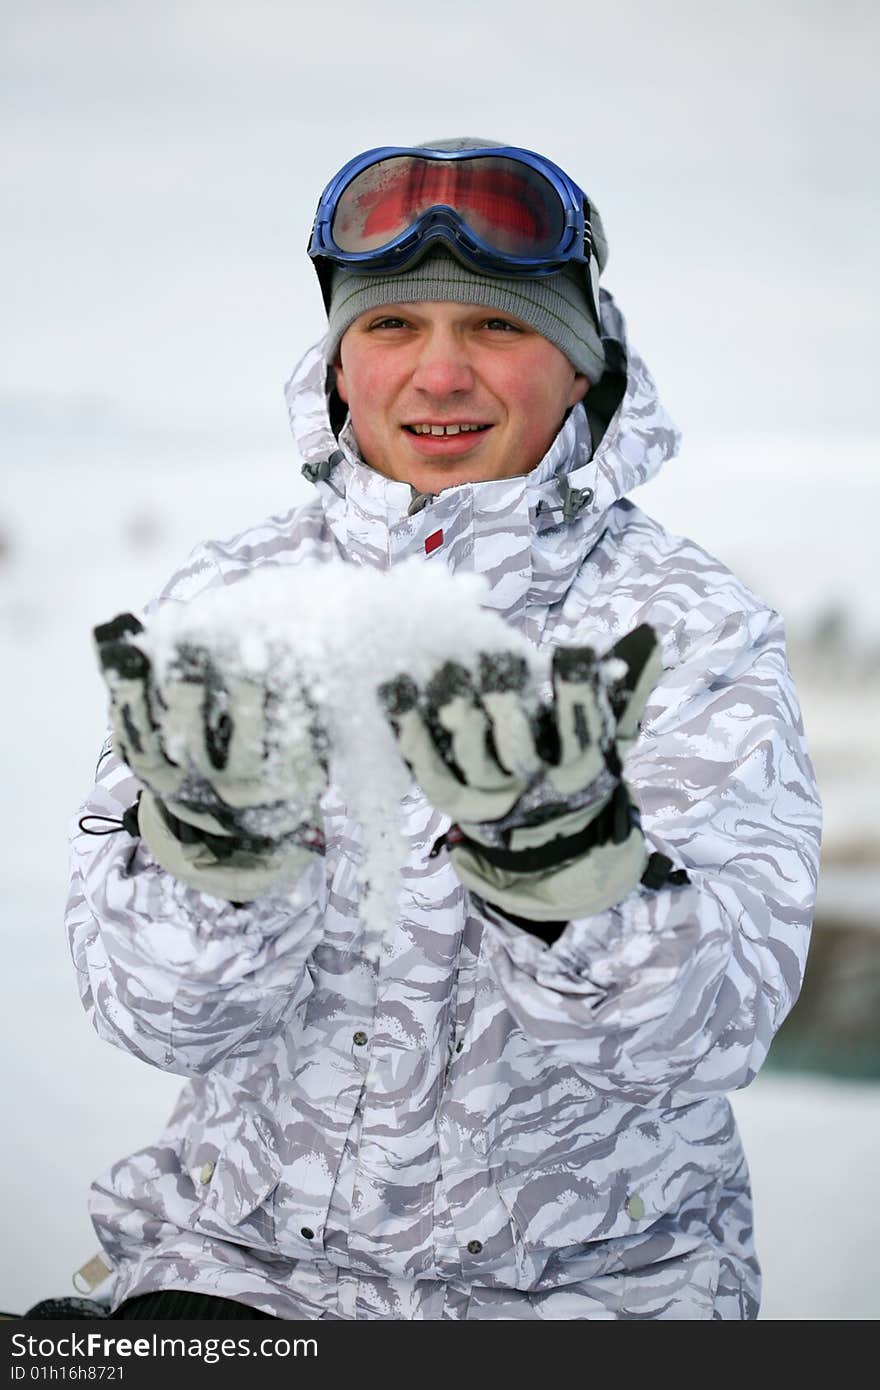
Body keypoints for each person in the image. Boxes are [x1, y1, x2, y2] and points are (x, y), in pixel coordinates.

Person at [64, 138, 821, 1321]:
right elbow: (152, 1015)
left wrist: (562, 861)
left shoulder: (690, 629)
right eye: (391, 327)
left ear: (579, 366)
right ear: (337, 366)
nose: (439, 375)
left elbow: (707, 1038)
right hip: (238, 1274)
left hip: (595, 1293)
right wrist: (217, 851)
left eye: (499, 328)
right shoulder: (229, 602)